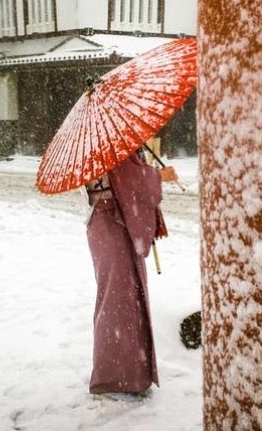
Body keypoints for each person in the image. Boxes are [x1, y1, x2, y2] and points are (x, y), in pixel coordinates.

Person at [84, 147, 177, 402]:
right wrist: (159, 176)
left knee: (120, 298)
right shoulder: (110, 144)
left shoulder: (103, 141)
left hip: (108, 223)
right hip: (112, 223)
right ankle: (116, 377)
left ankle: (125, 374)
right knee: (120, 300)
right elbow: (131, 180)